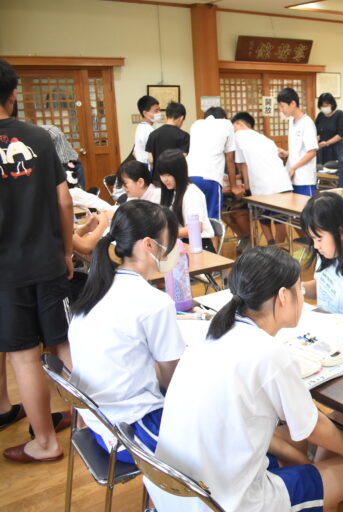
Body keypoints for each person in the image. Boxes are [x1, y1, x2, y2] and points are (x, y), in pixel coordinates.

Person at [147, 247, 343, 512]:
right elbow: (311, 426)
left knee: (293, 447)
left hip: (174, 491)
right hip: (223, 503)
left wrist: (294, 454)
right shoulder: (268, 352)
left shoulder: (211, 334)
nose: (301, 299)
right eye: (300, 291)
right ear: (283, 297)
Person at [68, 200, 183, 462]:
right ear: (149, 244)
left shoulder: (99, 287)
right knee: (228, 419)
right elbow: (173, 382)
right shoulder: (153, 302)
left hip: (101, 422)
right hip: (132, 432)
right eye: (168, 241)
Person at [0, 58, 73, 462]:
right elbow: (64, 199)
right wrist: (65, 251)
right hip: (46, 260)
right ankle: (94, 426)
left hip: (5, 274)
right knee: (64, 345)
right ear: (13, 94)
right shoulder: (40, 138)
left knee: (24, 356)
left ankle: (45, 442)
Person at [231, 111, 292, 245]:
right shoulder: (265, 138)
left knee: (262, 217)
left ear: (239, 124)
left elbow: (243, 166)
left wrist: (247, 188)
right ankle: (275, 248)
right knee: (280, 220)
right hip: (282, 184)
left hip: (262, 187)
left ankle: (272, 246)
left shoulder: (238, 136)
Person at [186, 106, 244, 223]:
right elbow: (229, 159)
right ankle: (213, 242)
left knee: (195, 218)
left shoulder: (196, 125)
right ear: (223, 117)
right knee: (212, 219)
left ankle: (197, 242)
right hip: (210, 178)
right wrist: (233, 187)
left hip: (189, 176)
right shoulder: (226, 124)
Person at [155, 149, 215, 253]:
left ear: (179, 172)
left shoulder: (191, 193)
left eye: (168, 175)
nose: (165, 179)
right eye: (162, 175)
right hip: (181, 245)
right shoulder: (172, 192)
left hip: (199, 248)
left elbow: (195, 228)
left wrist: (165, 235)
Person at [277, 88, 318, 197]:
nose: (281, 110)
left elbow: (312, 152)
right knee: (294, 212)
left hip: (305, 178)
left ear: (293, 103)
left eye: (282, 106)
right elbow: (299, 148)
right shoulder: (291, 121)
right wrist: (287, 153)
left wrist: (294, 167)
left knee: (305, 211)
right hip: (292, 177)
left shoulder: (307, 123)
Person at [145, 101, 189, 169]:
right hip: (176, 177)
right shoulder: (184, 136)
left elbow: (150, 160)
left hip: (157, 177)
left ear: (166, 117)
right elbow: (183, 158)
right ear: (181, 118)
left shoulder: (153, 134)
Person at [315, 92, 343, 165]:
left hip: (336, 148)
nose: (324, 108)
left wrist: (327, 143)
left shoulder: (339, 114)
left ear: (332, 104)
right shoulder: (320, 115)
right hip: (322, 149)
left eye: (326, 105)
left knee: (334, 171)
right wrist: (316, 138)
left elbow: (340, 135)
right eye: (322, 106)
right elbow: (316, 130)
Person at [133, 95, 160, 167]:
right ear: (145, 113)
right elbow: (152, 159)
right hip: (149, 168)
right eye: (156, 110)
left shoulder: (140, 127)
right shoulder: (149, 131)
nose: (159, 113)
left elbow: (134, 153)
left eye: (159, 110)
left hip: (141, 166)